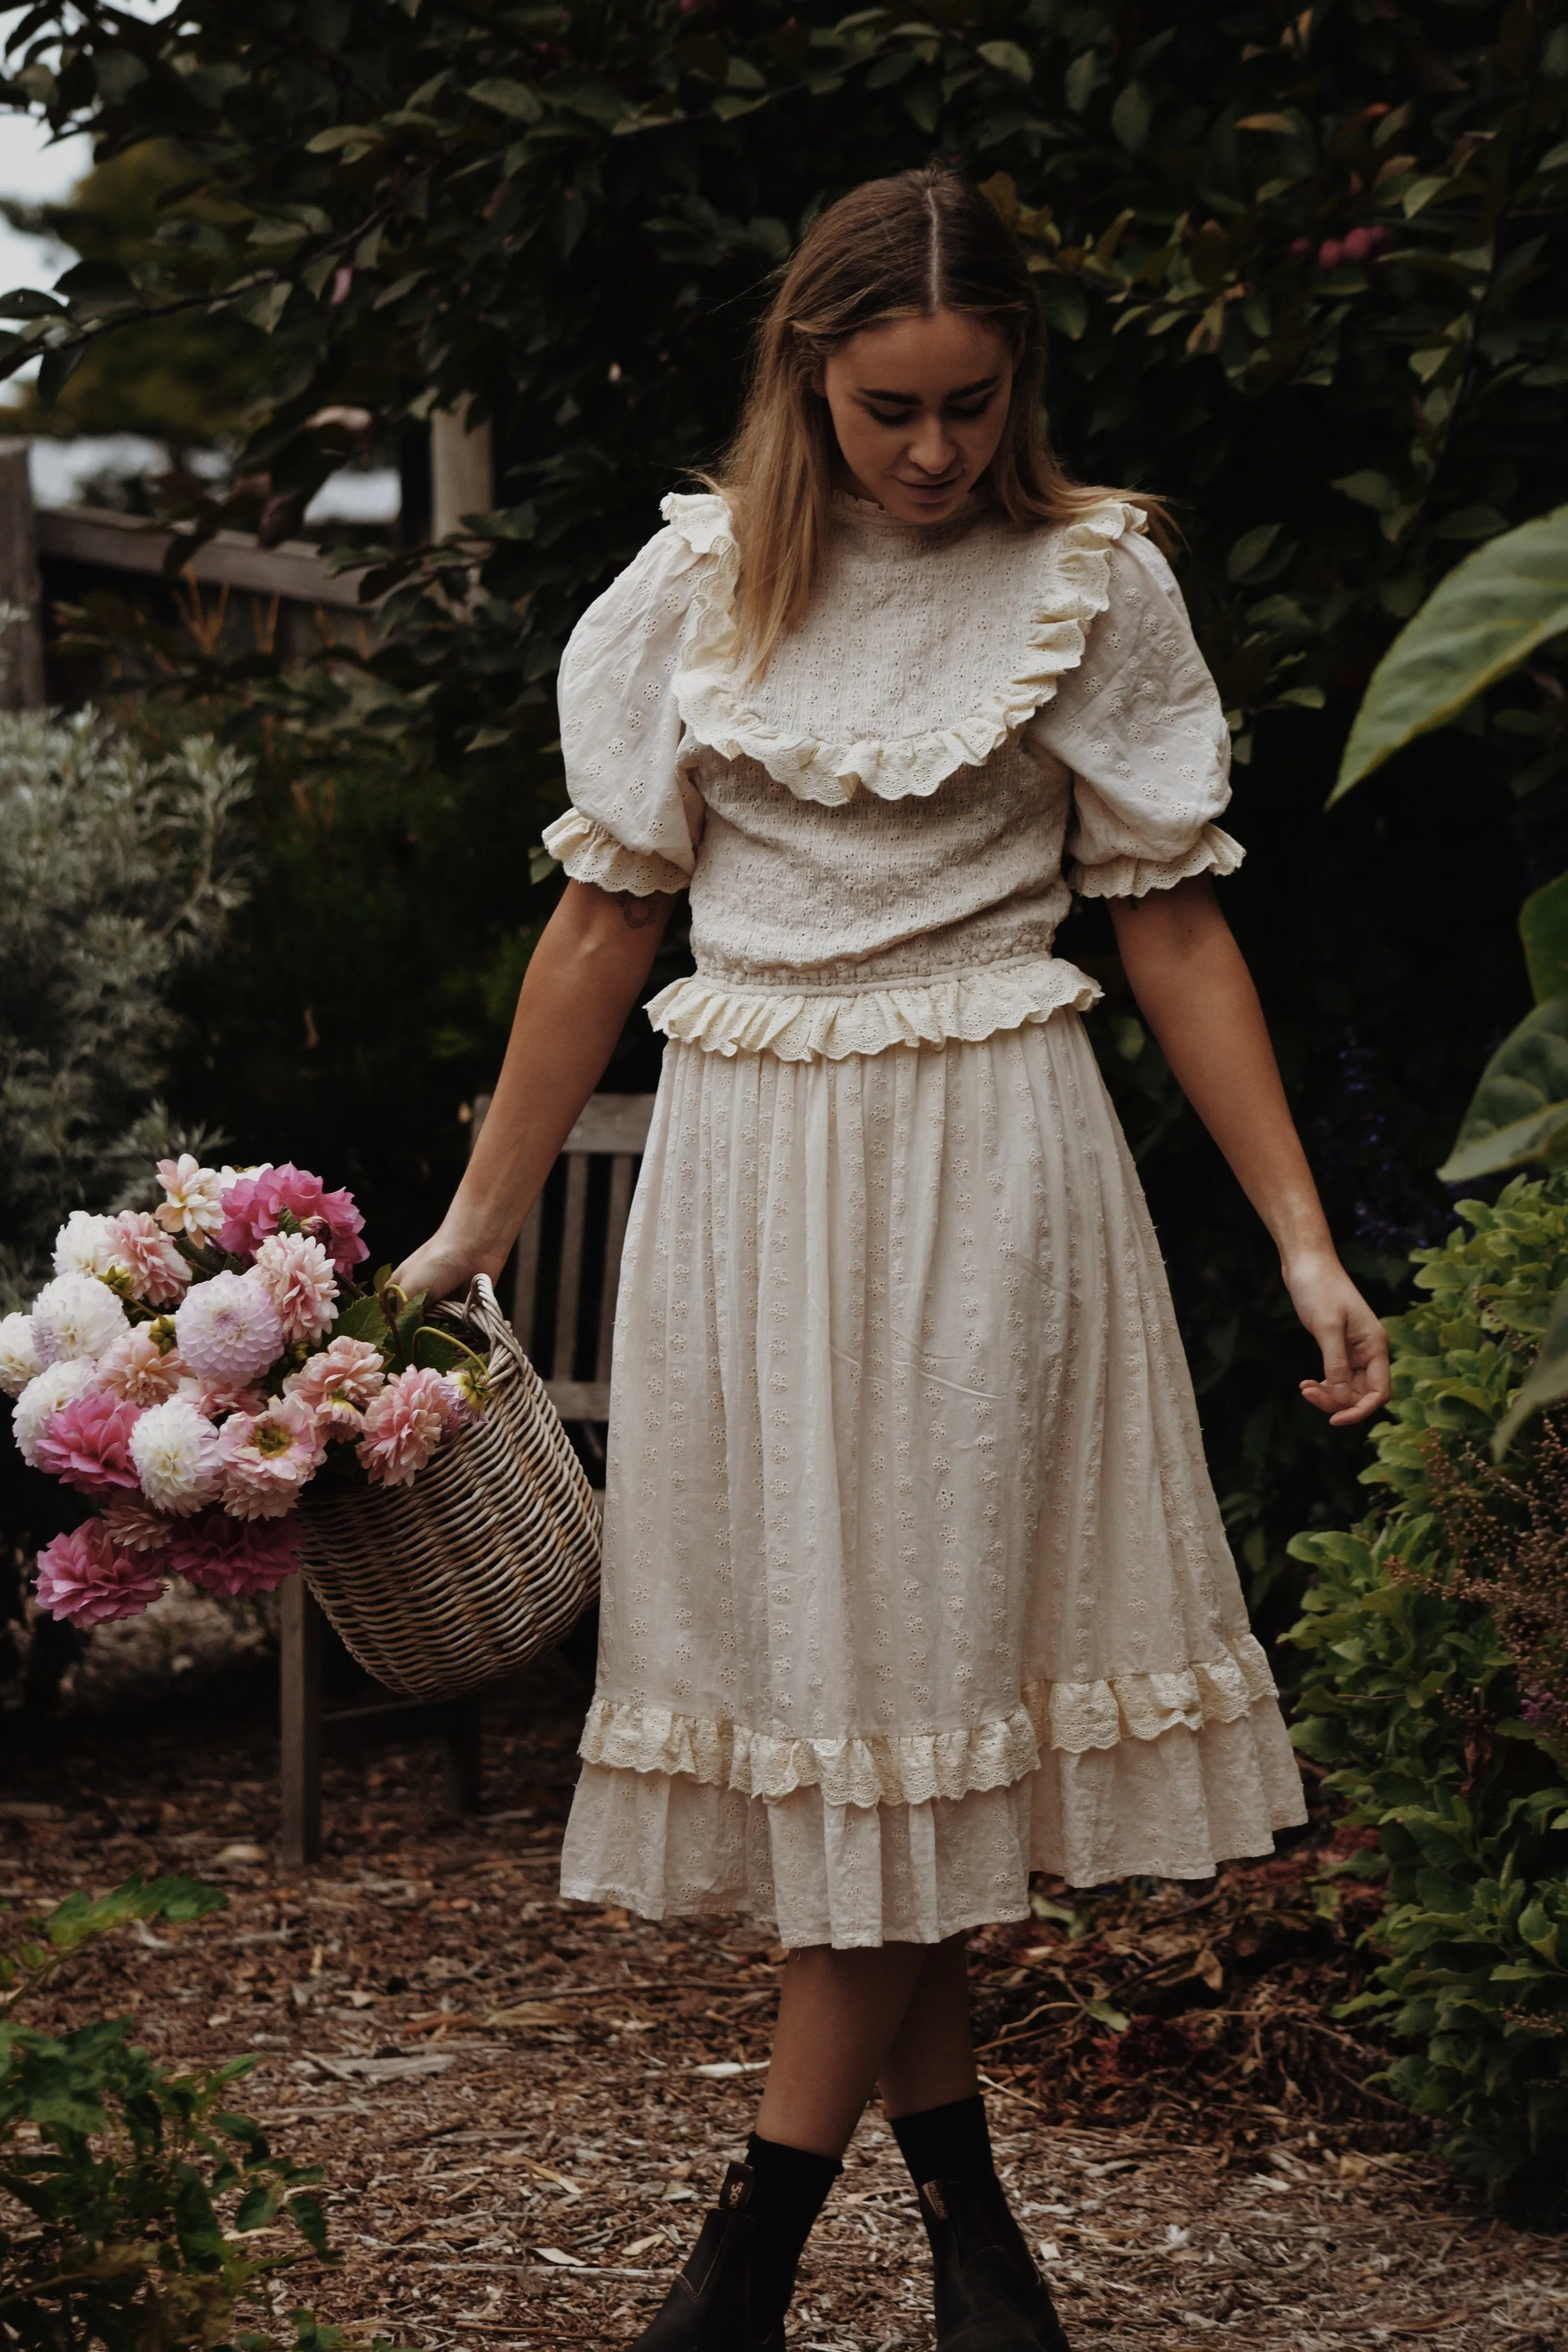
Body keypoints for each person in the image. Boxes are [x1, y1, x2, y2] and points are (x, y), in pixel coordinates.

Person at [395, 163, 1390, 2352]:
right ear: (805, 381)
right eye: (886, 412)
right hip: (753, 1183)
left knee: (919, 1686)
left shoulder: (1091, 583)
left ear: (1016, 378)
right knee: (860, 1715)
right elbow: (598, 922)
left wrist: (1307, 1242)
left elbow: (1177, 924)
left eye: (966, 404)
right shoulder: (693, 596)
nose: (932, 452)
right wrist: (475, 1219)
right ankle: (974, 2244)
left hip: (991, 1174)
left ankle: (742, 2255)